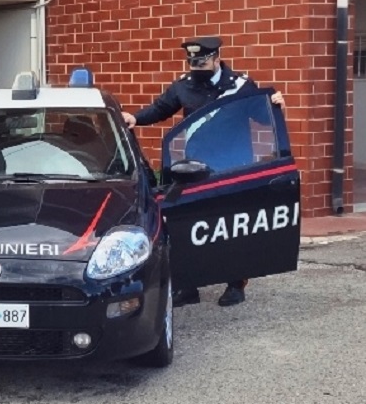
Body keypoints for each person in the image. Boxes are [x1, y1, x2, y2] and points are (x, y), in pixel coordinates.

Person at [121, 36, 285, 307]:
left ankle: (235, 283)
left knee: (231, 226)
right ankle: (189, 286)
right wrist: (135, 118)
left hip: (232, 166)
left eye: (202, 63)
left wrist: (276, 104)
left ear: (217, 59)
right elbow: (161, 108)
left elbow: (262, 115)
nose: (197, 68)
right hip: (195, 167)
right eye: (193, 63)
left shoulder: (240, 85)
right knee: (191, 224)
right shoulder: (184, 85)